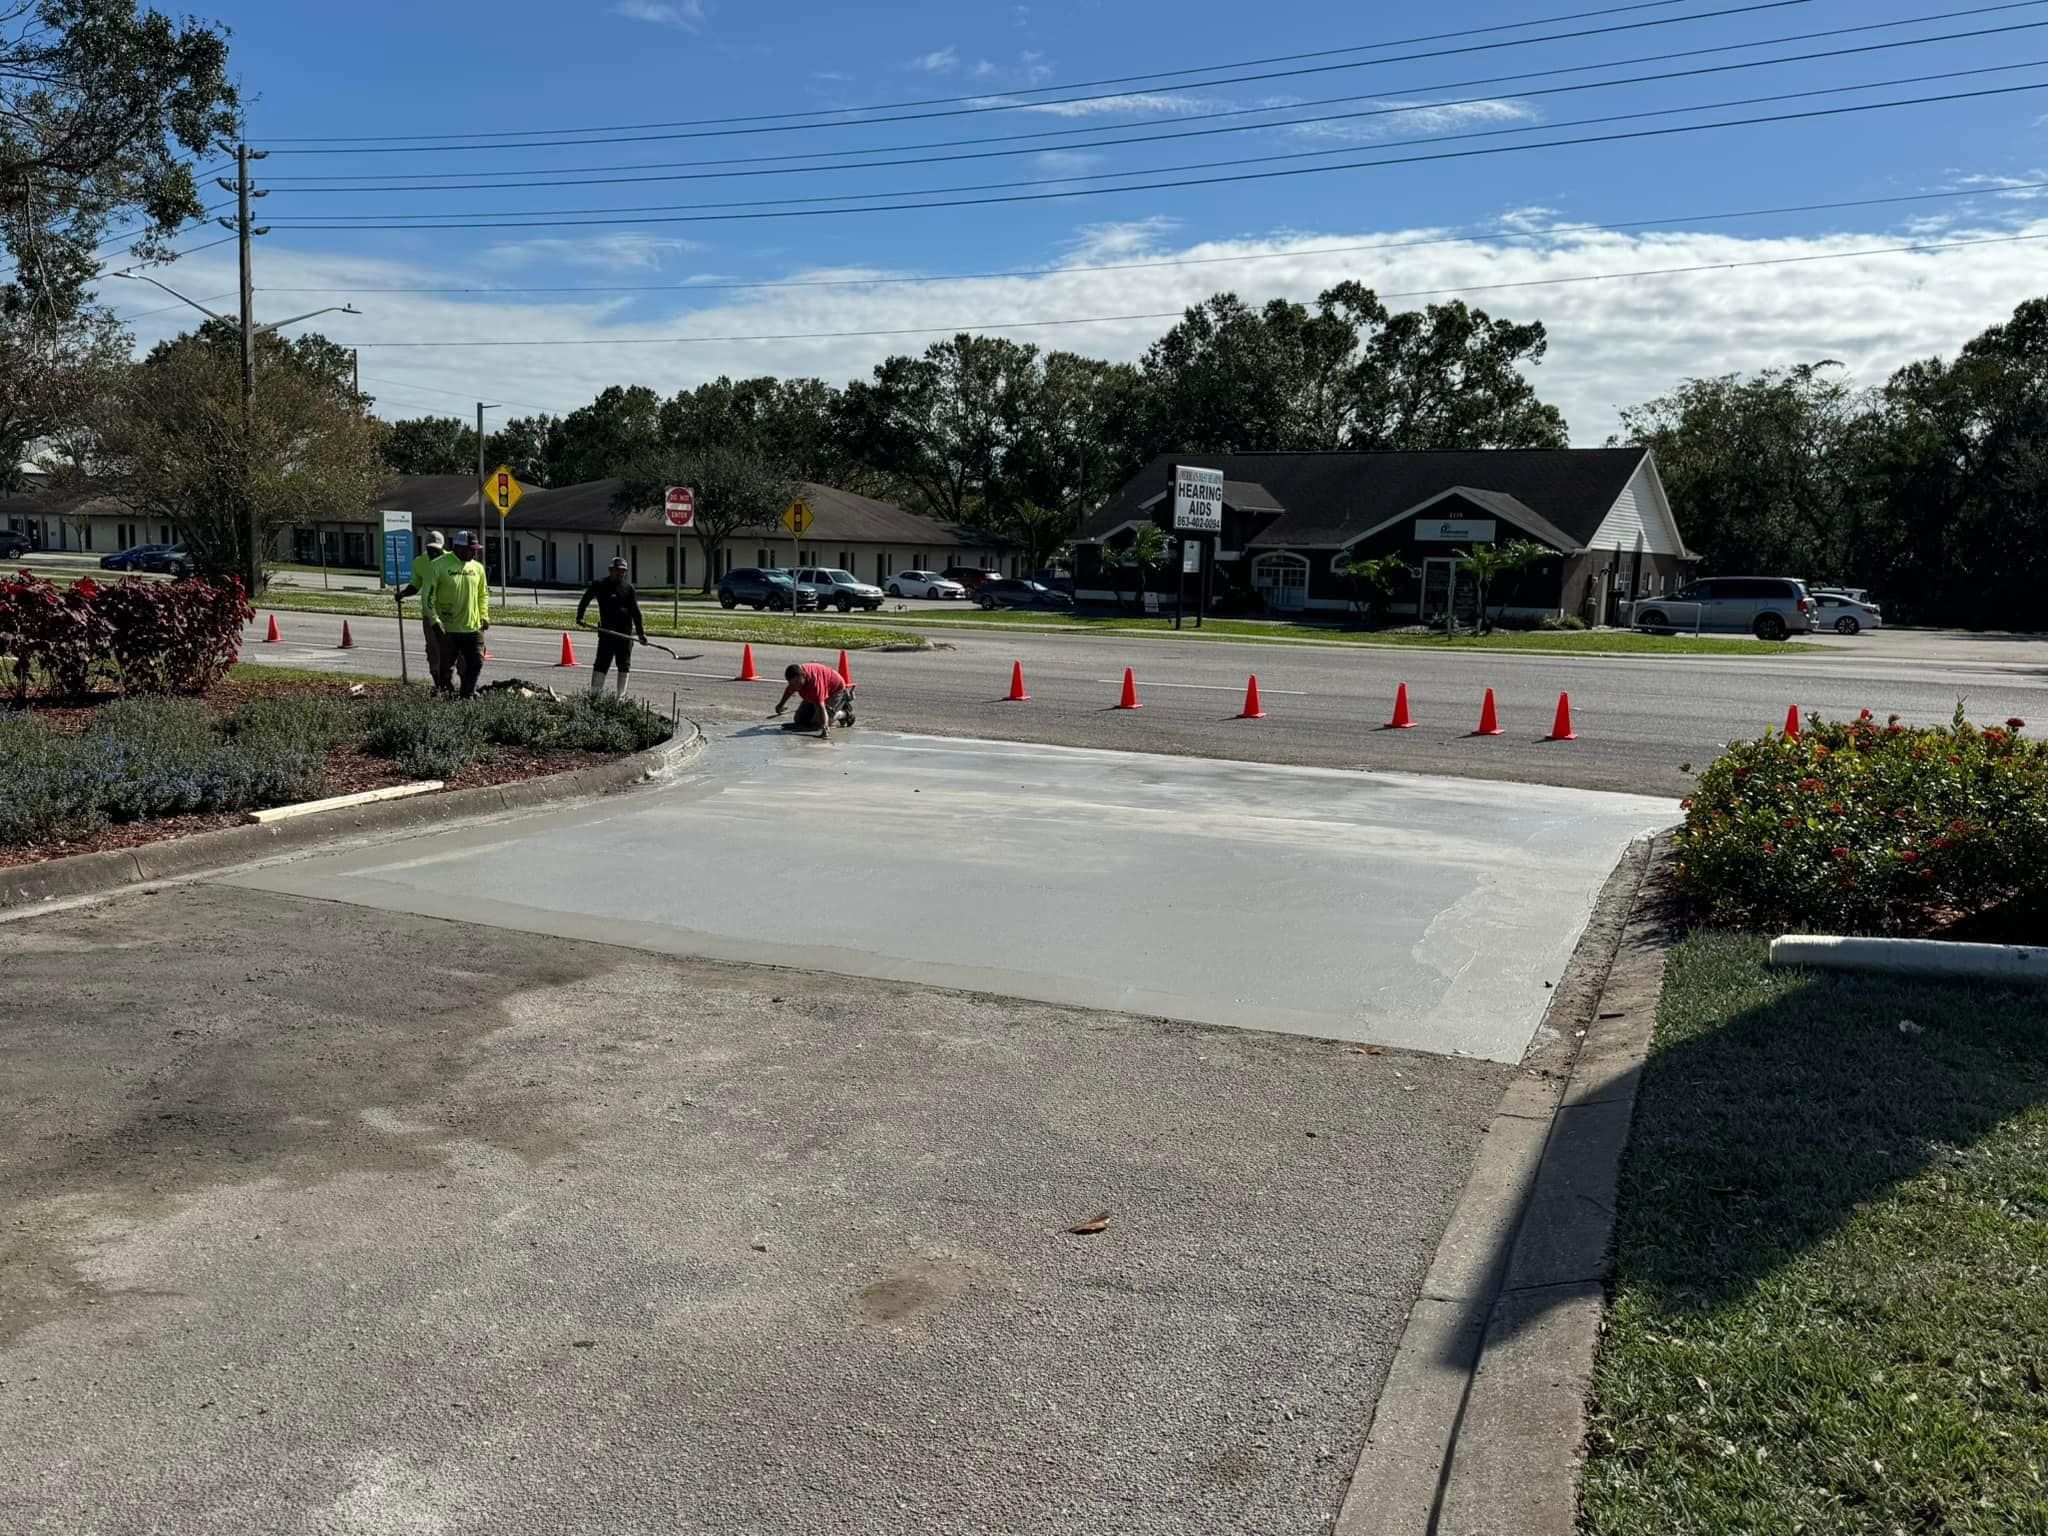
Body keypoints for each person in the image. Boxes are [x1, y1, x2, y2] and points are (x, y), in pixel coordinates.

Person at [426, 530, 491, 698]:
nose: (475, 552)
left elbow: (483, 594)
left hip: (473, 627)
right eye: (471, 549)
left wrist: (484, 616)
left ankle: (467, 694)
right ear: (458, 548)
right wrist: (434, 620)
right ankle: (445, 694)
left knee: (476, 662)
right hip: (448, 628)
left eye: (476, 549)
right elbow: (428, 596)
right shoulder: (438, 565)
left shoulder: (478, 568)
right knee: (445, 667)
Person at [575, 557, 648, 695]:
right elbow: (585, 600)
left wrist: (640, 633)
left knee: (624, 665)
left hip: (625, 634)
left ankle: (621, 698)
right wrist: (580, 616)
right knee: (601, 664)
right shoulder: (599, 584)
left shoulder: (628, 588)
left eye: (623, 571)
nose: (620, 573)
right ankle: (595, 696)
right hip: (607, 633)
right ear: (610, 570)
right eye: (618, 570)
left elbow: (636, 613)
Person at [398, 531, 457, 682]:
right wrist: (403, 593)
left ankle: (462, 685)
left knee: (457, 649)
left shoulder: (452, 559)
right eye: (430, 549)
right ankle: (438, 683)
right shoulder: (419, 562)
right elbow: (415, 585)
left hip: (451, 613)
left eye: (435, 550)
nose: (432, 552)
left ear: (442, 547)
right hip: (430, 615)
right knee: (434, 649)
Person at [773, 661, 854, 739]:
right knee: (799, 720)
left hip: (835, 691)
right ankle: (829, 712)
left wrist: (825, 729)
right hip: (815, 694)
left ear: (803, 675)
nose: (795, 686)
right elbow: (789, 691)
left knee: (817, 723)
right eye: (792, 683)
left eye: (797, 683)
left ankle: (844, 713)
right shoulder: (796, 679)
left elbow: (821, 707)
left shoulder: (815, 684)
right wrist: (780, 705)